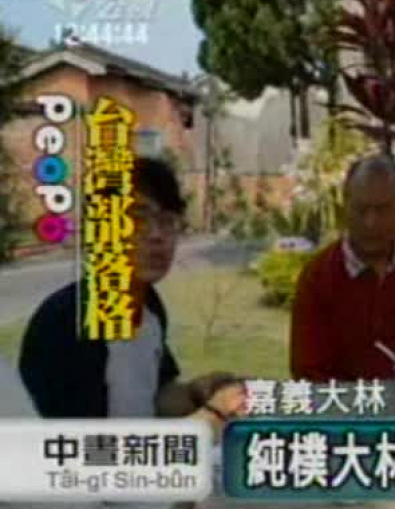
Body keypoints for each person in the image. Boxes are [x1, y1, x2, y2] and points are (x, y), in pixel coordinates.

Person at [18, 157, 243, 425]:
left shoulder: (149, 305)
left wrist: (197, 391)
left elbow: (153, 398)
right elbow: (83, 443)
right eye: (137, 218)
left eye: (168, 221)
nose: (157, 235)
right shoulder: (67, 320)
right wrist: (209, 420)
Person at [290, 154, 395, 381]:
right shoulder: (318, 277)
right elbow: (308, 373)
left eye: (383, 210)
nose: (370, 222)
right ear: (344, 206)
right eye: (361, 210)